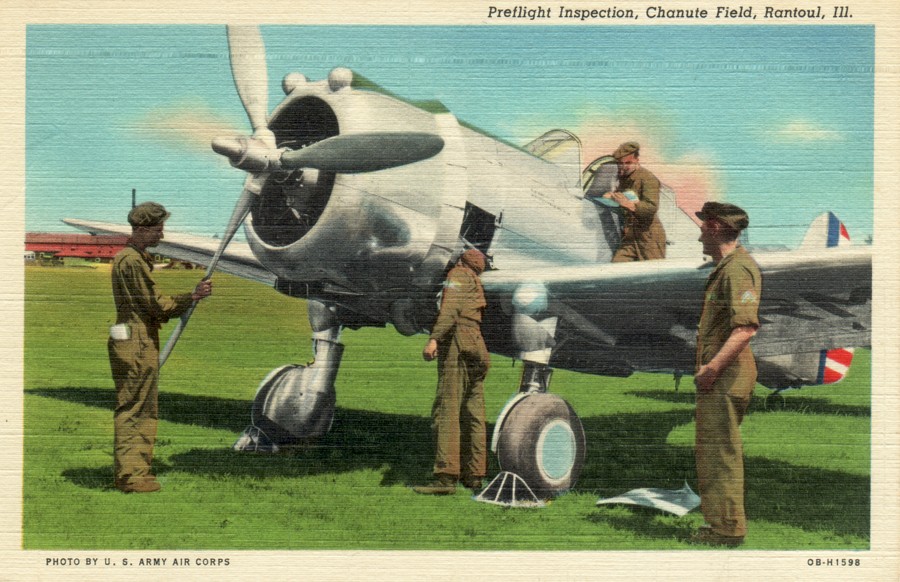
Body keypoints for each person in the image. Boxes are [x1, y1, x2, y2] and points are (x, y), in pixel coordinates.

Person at [108, 202, 212, 493]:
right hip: (137, 342)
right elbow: (155, 305)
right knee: (138, 410)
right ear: (141, 229)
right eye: (157, 229)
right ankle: (132, 477)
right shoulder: (132, 260)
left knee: (135, 406)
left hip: (130, 337)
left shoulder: (129, 258)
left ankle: (132, 472)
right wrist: (191, 297)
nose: (161, 235)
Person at [691, 201, 761, 546]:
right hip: (721, 376)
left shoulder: (738, 270)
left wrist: (711, 369)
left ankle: (728, 530)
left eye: (704, 224)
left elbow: (745, 329)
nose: (700, 230)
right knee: (712, 451)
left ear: (717, 227)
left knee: (721, 453)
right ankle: (720, 524)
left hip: (725, 375)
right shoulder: (726, 267)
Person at [414, 249, 491, 495]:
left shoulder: (457, 274)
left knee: (447, 409)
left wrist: (434, 339)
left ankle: (446, 478)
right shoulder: (477, 282)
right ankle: (475, 475)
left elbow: (450, 311)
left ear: (460, 260)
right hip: (477, 343)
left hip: (458, 341)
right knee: (474, 412)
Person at [602, 141, 667, 262]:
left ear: (637, 159)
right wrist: (612, 197)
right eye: (620, 163)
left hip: (649, 238)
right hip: (630, 237)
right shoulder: (624, 178)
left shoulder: (648, 178)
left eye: (628, 163)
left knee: (652, 276)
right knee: (616, 267)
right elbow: (623, 199)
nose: (623, 166)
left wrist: (629, 205)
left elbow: (651, 208)